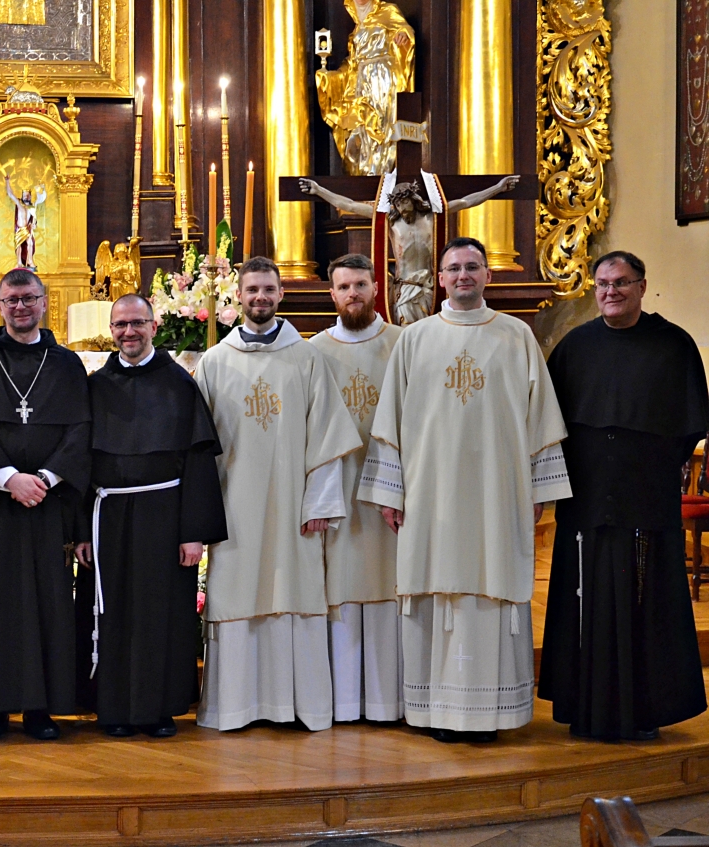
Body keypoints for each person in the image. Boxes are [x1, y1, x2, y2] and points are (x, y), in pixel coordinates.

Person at [359, 236, 573, 742]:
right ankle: (436, 711)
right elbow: (389, 421)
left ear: (487, 276)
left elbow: (541, 420)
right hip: (429, 496)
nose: (462, 276)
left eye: (472, 267)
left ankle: (489, 714)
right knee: (433, 585)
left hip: (499, 494)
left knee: (492, 583)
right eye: (453, 268)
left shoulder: (516, 336)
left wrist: (538, 489)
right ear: (439, 279)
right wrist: (391, 493)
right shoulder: (415, 339)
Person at [539, 251, 709, 740]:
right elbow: (550, 421)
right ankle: (585, 707)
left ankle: (644, 711)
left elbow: (689, 425)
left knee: (646, 602)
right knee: (583, 601)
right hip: (586, 498)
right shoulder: (575, 346)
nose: (610, 291)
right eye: (602, 284)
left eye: (620, 282)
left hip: (646, 497)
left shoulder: (673, 345)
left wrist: (650, 464)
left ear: (641, 286)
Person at [195, 257, 363, 732]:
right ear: (238, 296)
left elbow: (328, 437)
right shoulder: (215, 362)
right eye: (252, 290)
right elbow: (198, 449)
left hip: (294, 508)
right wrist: (204, 514)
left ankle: (297, 706)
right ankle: (236, 708)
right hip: (234, 509)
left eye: (268, 289)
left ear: (280, 294)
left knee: (295, 590)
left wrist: (320, 504)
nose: (260, 298)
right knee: (236, 593)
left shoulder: (306, 358)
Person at [0, 268, 91, 740]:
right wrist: (9, 479)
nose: (21, 307)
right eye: (12, 300)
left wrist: (44, 478)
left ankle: (40, 709)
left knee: (48, 603)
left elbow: (81, 431)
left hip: (48, 503)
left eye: (29, 298)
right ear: (0, 305)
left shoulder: (67, 365)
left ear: (44, 302)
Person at [72, 294, 227, 738]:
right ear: (111, 330)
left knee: (162, 614)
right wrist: (81, 531)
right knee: (111, 613)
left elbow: (197, 462)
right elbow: (81, 463)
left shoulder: (179, 384)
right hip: (107, 516)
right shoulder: (95, 387)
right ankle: (112, 708)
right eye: (120, 325)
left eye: (137, 323)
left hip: (164, 517)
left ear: (153, 326)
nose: (129, 332)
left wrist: (193, 532)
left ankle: (160, 710)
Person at [308, 254, 404, 723]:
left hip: (392, 487)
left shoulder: (402, 343)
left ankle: (389, 702)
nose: (353, 294)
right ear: (332, 294)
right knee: (341, 583)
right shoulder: (314, 351)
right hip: (338, 488)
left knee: (391, 582)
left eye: (360, 285)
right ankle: (344, 703)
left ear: (375, 287)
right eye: (344, 287)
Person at [298, 175, 519, 325]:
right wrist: (319, 190)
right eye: (397, 204)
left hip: (429, 289)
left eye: (404, 203)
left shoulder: (432, 217)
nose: (401, 208)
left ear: (413, 200)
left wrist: (498, 188)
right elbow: (350, 205)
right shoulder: (391, 221)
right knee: (406, 336)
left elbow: (466, 201)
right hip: (404, 290)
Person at [315, 0, 415, 176]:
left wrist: (403, 36)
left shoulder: (387, 11)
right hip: (361, 83)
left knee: (380, 129)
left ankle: (380, 174)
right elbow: (351, 65)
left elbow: (405, 30)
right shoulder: (357, 27)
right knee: (360, 132)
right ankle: (365, 175)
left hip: (382, 79)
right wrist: (332, 78)